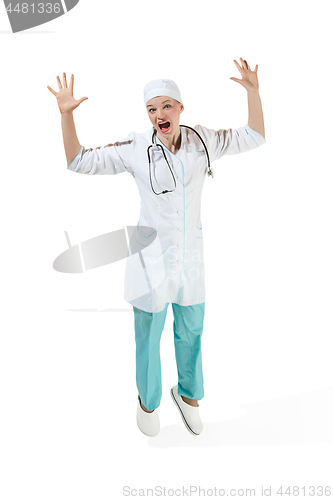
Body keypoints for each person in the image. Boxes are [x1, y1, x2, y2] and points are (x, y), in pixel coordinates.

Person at [47, 58, 266, 437]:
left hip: (191, 257)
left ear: (181, 108)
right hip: (151, 261)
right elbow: (78, 160)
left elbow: (254, 135)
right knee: (149, 334)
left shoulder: (203, 141)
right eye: (152, 109)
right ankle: (148, 402)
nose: (159, 115)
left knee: (192, 331)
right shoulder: (135, 147)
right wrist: (67, 116)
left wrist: (253, 93)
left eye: (166, 106)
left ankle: (189, 396)